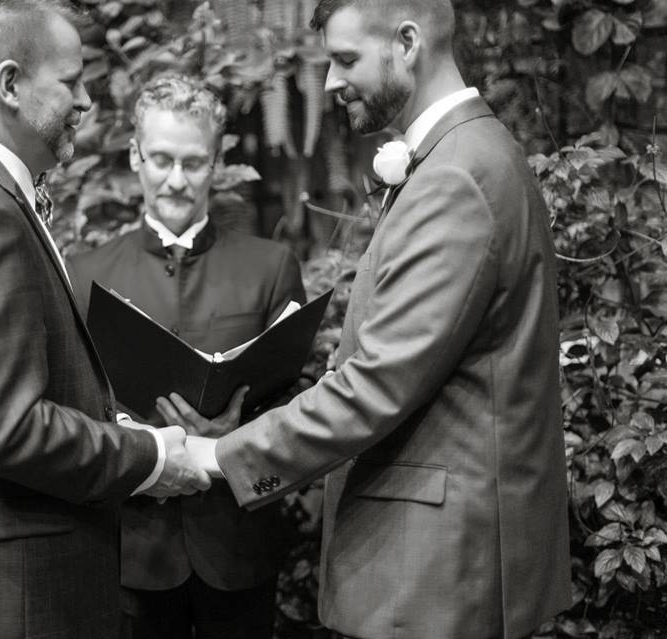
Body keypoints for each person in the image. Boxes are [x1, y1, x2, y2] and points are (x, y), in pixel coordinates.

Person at [185, 1, 573, 637]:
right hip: (440, 564)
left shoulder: (457, 177)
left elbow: (375, 384)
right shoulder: (467, 155)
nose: (332, 83)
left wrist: (217, 457)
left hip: (440, 574)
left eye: (345, 60)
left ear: (408, 42)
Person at [0, 3, 210, 638]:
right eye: (71, 80)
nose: (86, 100)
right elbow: (7, 429)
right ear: (9, 85)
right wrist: (150, 455)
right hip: (7, 601)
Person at [68, 74, 306, 639]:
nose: (176, 180)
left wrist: (237, 427)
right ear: (135, 157)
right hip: (131, 550)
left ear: (217, 163)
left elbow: (303, 401)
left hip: (239, 545)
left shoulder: (270, 268)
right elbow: (72, 407)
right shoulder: (84, 276)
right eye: (161, 160)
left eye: (194, 163)